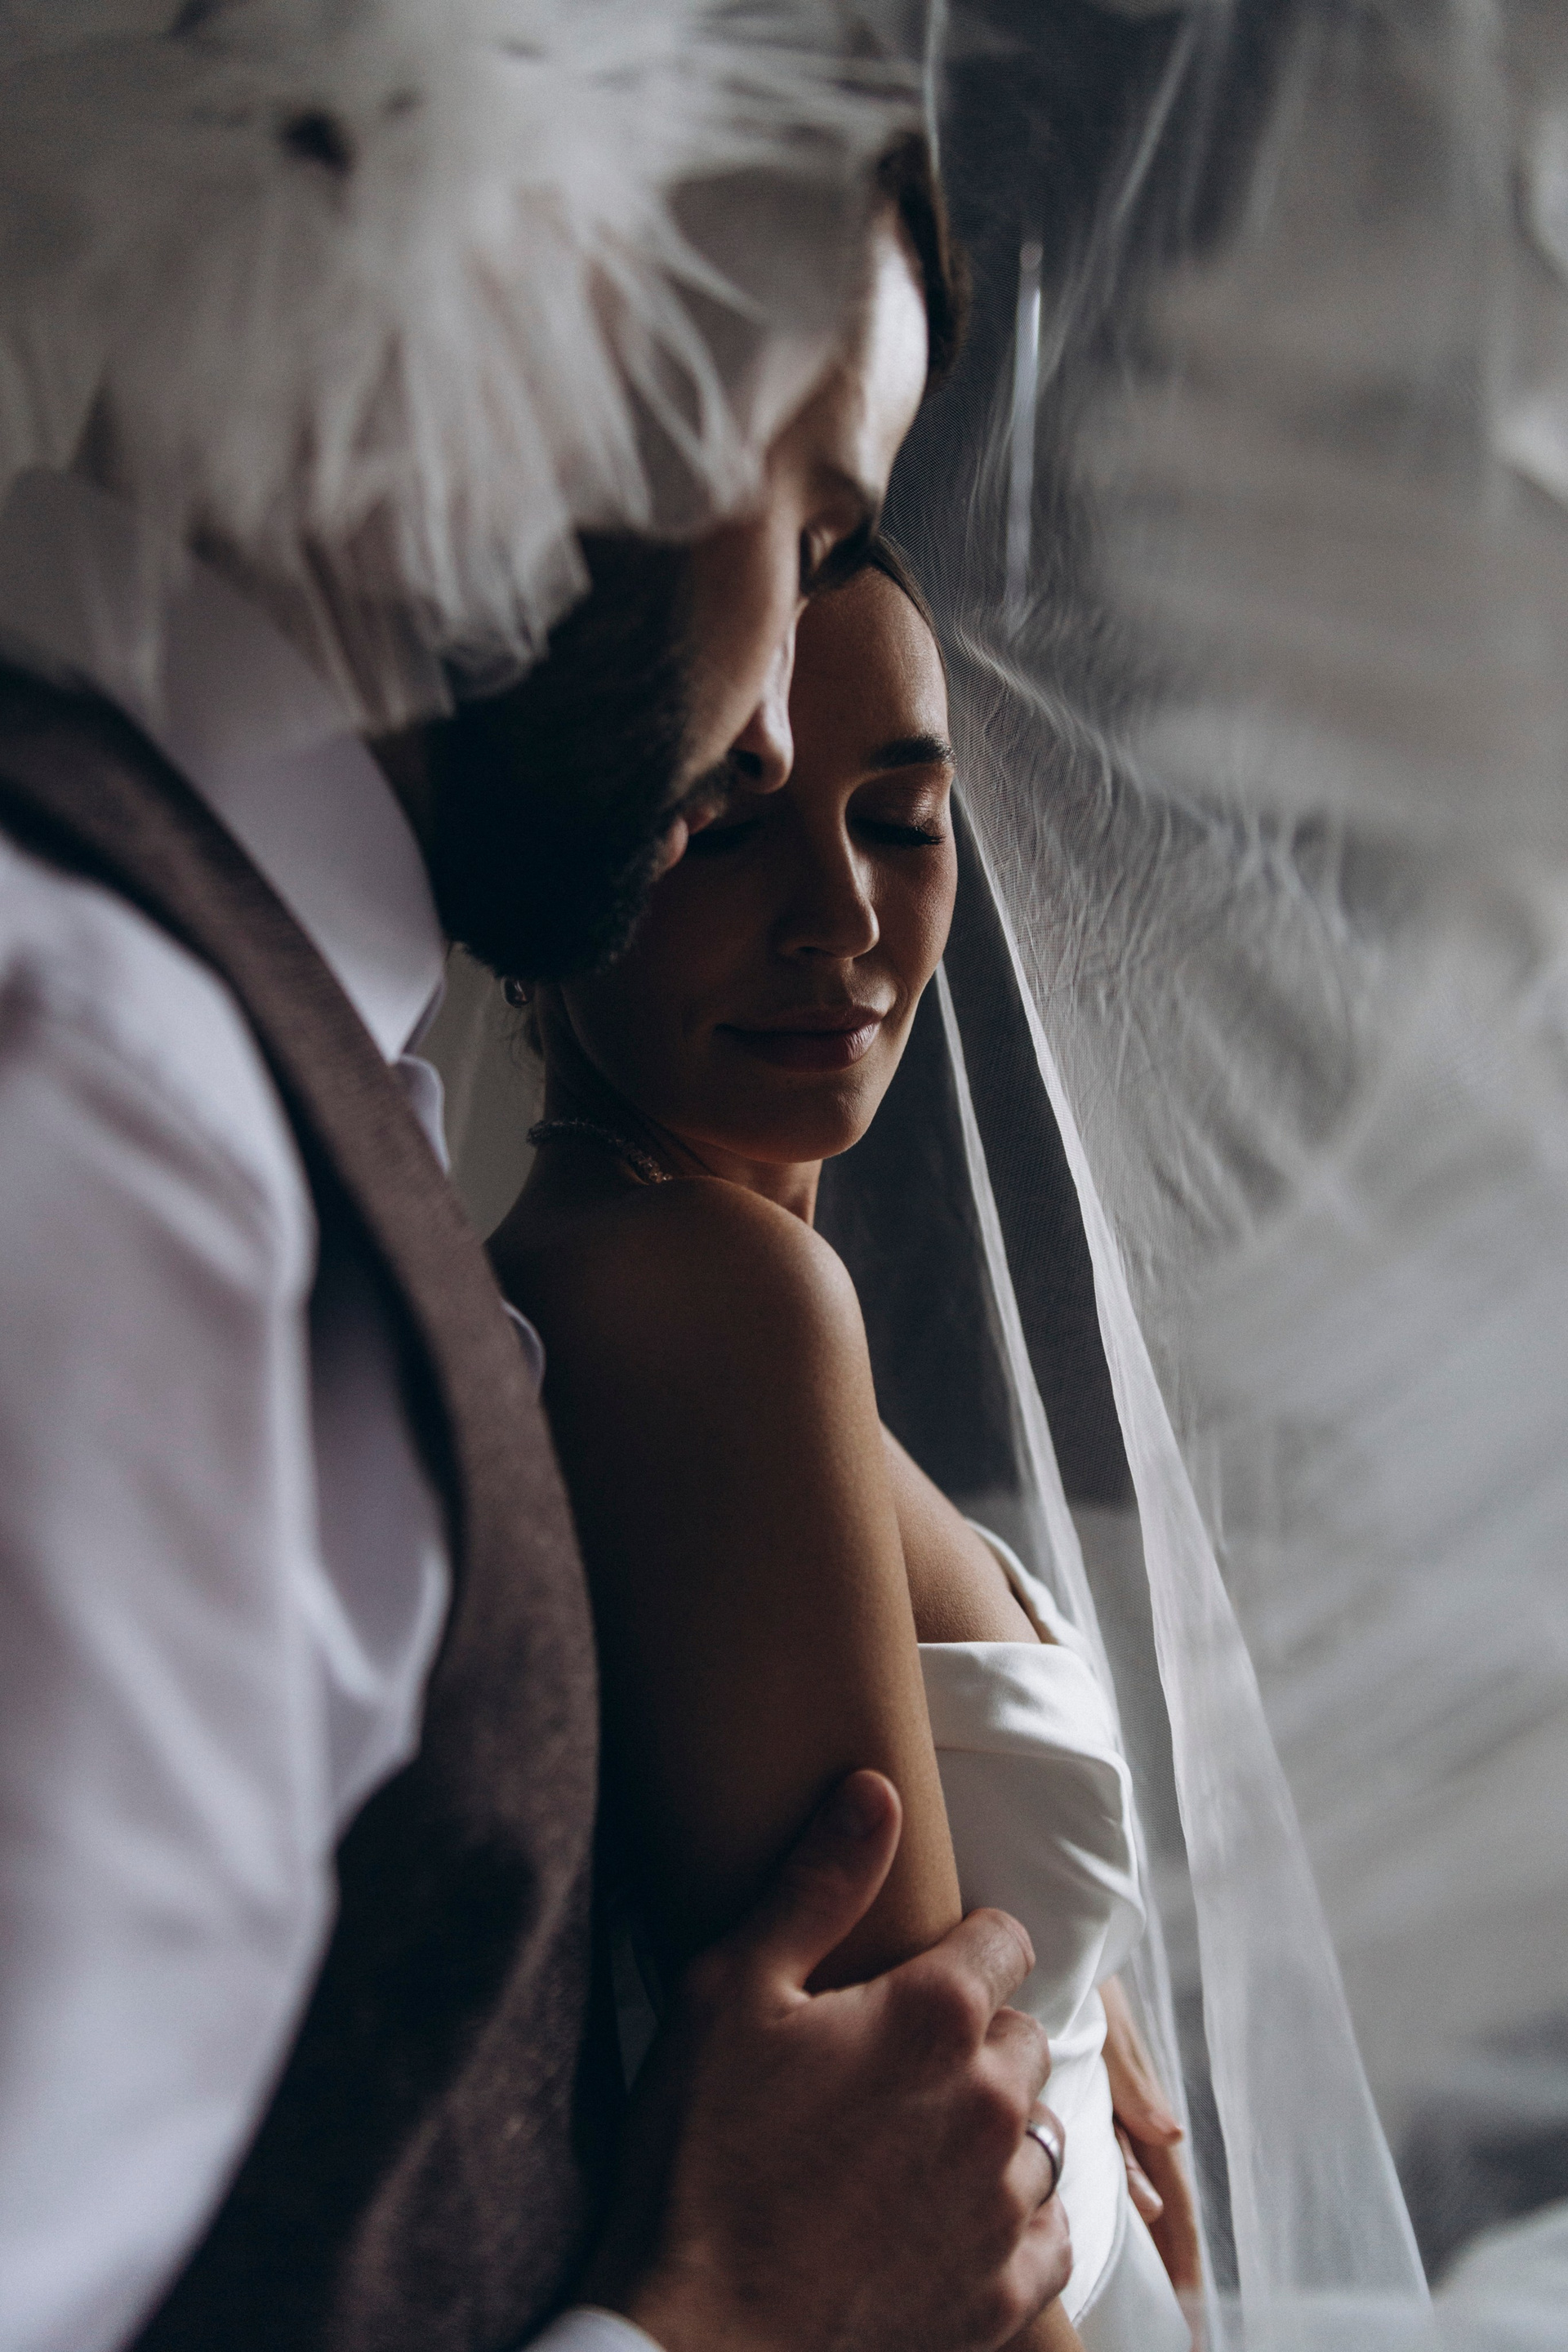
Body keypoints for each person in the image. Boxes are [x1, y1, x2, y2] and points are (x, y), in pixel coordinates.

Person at [0, 11, 1071, 2352]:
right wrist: (718, 2312)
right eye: (802, 523)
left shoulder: (230, 1042)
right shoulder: (103, 1095)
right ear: (570, 336)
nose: (773, 725)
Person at [488, 544, 1201, 2350]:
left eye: (903, 820)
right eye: (727, 831)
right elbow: (906, 2173)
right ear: (568, 861)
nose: (844, 917)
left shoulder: (680, 1264)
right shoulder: (714, 1301)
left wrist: (1073, 1991)